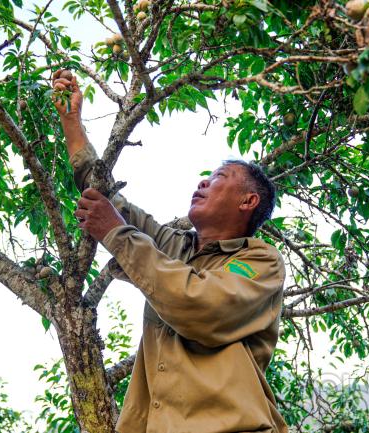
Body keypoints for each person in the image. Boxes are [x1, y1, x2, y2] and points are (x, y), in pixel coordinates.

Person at [52, 70, 288, 433]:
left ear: (248, 201)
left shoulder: (260, 261)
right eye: (206, 176)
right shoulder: (174, 247)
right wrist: (72, 123)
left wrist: (115, 232)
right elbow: (106, 199)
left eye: (220, 178)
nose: (203, 181)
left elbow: (201, 304)